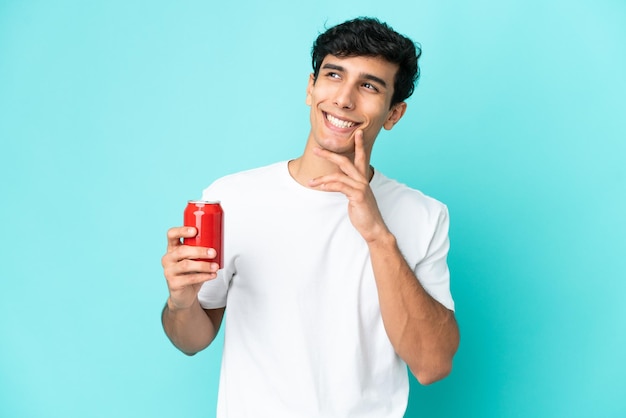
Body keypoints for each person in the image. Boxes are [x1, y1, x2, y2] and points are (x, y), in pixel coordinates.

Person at [161, 17, 459, 417]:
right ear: (310, 88)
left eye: (369, 86)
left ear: (394, 113)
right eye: (333, 75)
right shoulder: (231, 198)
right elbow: (192, 340)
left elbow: (432, 364)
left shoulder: (424, 216)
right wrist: (181, 303)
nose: (344, 99)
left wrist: (377, 235)